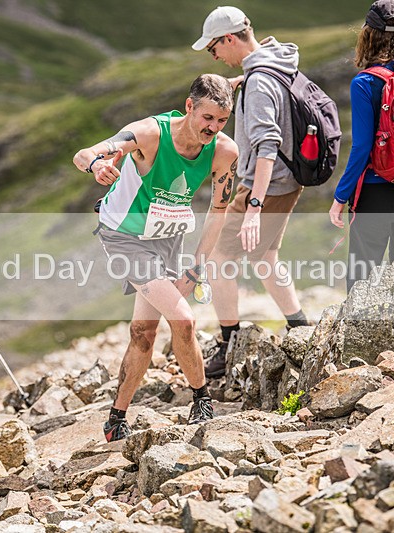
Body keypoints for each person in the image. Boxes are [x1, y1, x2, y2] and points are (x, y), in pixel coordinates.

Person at [73, 74, 239, 442]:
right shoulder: (149, 134)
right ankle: (201, 399)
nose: (212, 128)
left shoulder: (225, 152)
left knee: (143, 332)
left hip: (168, 237)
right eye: (207, 118)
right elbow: (83, 153)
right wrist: (96, 167)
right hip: (125, 237)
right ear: (190, 107)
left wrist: (199, 262)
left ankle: (116, 418)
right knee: (183, 319)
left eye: (221, 121)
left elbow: (220, 208)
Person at [191, 6, 310, 378]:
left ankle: (229, 344)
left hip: (265, 184)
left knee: (218, 261)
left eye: (214, 48)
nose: (214, 57)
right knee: (264, 258)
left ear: (229, 38)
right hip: (286, 181)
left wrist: (254, 204)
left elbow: (267, 144)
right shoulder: (277, 60)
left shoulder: (259, 81)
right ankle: (301, 328)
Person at [328, 0, 394, 310]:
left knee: (363, 270)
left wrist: (340, 196)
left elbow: (362, 148)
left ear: (368, 34)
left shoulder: (365, 82)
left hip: (376, 189)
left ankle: (357, 339)